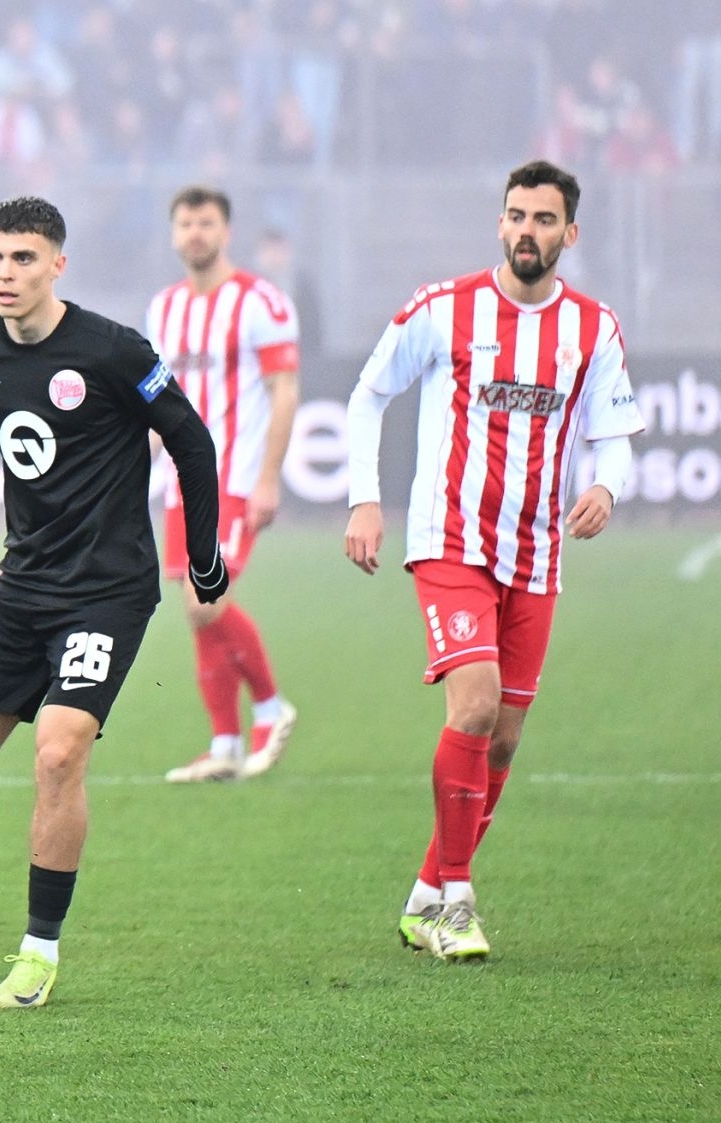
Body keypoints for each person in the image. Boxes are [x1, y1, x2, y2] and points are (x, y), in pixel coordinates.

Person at [0, 196, 228, 1010]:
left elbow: (190, 437)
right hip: (24, 585)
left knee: (59, 753)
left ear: (58, 264)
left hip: (107, 590)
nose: (6, 272)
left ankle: (38, 951)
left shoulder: (112, 349)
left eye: (24, 258)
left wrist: (203, 554)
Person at [343, 159, 640, 961]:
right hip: (450, 541)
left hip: (536, 553)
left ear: (570, 233)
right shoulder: (445, 308)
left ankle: (425, 893)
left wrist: (606, 486)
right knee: (472, 707)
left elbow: (614, 432)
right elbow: (369, 394)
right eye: (516, 215)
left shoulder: (593, 329)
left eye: (543, 219)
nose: (526, 231)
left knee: (502, 740)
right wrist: (365, 497)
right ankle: (457, 902)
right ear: (499, 223)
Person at [145, 186, 301, 783]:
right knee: (198, 611)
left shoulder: (261, 302)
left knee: (204, 601)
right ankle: (225, 744)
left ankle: (271, 708)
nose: (196, 233)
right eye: (186, 223)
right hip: (181, 484)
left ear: (226, 231)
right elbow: (160, 400)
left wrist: (268, 479)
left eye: (206, 223)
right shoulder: (164, 309)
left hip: (234, 477)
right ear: (173, 233)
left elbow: (284, 392)